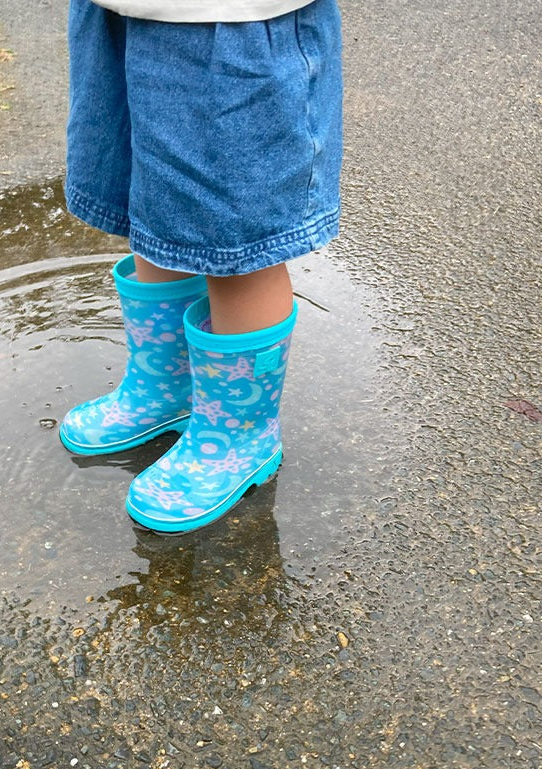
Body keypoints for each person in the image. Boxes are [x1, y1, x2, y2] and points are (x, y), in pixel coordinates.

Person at [59, 0, 343, 535]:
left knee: (236, 240)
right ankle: (165, 388)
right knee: (153, 207)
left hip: (233, 21)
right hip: (121, 13)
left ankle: (238, 437)